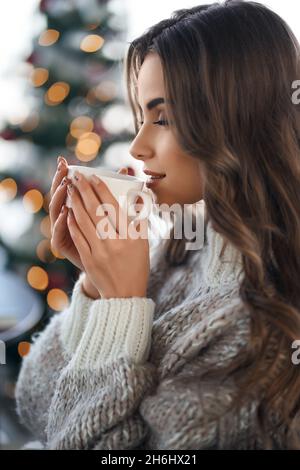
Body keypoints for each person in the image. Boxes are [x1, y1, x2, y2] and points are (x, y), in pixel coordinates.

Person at [15, 1, 300, 449]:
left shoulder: (266, 329)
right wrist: (94, 287)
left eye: (163, 119)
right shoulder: (176, 250)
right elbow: (35, 405)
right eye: (141, 117)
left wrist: (123, 304)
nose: (138, 146)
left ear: (239, 120)